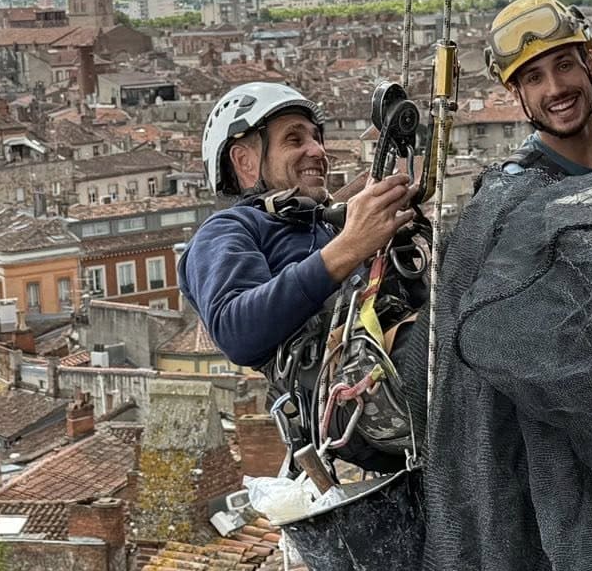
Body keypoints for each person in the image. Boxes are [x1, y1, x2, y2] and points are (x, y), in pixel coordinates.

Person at [178, 80, 417, 371]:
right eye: (294, 140)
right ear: (245, 162)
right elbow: (235, 330)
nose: (318, 150)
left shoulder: (329, 223)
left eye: (317, 138)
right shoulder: (227, 230)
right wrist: (350, 247)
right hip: (362, 375)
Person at [483, 0, 592, 179]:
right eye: (534, 78)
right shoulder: (517, 188)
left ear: (590, 64)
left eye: (564, 66)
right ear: (517, 94)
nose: (556, 89)